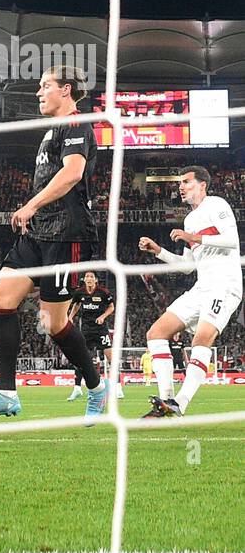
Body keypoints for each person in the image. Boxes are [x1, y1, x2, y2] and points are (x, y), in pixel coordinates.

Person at [0, 67, 107, 424]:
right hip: (39, 232)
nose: (38, 93)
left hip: (68, 235)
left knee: (53, 323)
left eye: (45, 86)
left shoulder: (78, 124)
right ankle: (6, 393)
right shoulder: (53, 130)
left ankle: (95, 386)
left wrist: (31, 204)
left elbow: (73, 172)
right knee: (1, 300)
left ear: (66, 90)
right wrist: (35, 211)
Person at [138, 165, 241, 417]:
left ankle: (180, 403)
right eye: (180, 183)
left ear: (202, 185)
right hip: (202, 286)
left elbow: (232, 241)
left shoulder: (217, 205)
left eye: (186, 182)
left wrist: (194, 238)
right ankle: (165, 401)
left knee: (201, 340)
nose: (181, 187)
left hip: (225, 283)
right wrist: (158, 251)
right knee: (156, 333)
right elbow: (187, 267)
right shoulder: (190, 219)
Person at [67, 270, 122, 401]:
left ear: (96, 280)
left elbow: (111, 307)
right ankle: (77, 389)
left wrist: (103, 316)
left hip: (101, 330)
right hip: (86, 330)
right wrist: (70, 317)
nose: (89, 278)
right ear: (84, 280)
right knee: (80, 357)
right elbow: (76, 305)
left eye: (91, 276)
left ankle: (118, 387)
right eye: (87, 276)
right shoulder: (79, 293)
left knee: (111, 358)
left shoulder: (103, 292)